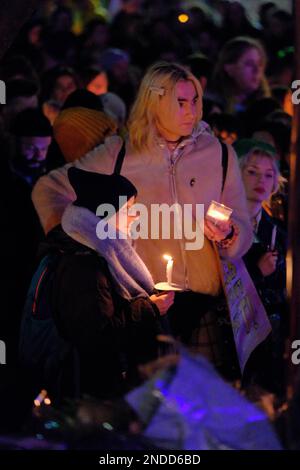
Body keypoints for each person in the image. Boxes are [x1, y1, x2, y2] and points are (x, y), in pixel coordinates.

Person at [32, 62, 252, 378]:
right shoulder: (120, 152)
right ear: (156, 102)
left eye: (194, 101)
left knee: (203, 404)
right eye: (180, 102)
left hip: (205, 304)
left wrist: (230, 233)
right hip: (143, 303)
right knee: (151, 405)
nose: (191, 110)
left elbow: (242, 222)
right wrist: (84, 241)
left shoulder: (219, 154)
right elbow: (49, 189)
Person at [24, 167, 174, 399]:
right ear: (105, 215)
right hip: (95, 392)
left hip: (111, 382)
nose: (135, 216)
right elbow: (96, 335)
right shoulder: (83, 266)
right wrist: (149, 308)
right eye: (128, 209)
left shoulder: (106, 250)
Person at [236, 138, 287, 394]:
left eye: (269, 175)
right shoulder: (223, 225)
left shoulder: (278, 231)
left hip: (268, 339)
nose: (261, 181)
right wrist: (256, 272)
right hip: (233, 335)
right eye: (252, 172)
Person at [212, 37, 270, 114]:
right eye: (249, 64)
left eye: (259, 64)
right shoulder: (213, 107)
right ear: (229, 68)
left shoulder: (266, 107)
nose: (257, 70)